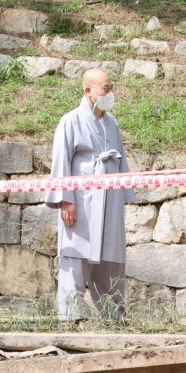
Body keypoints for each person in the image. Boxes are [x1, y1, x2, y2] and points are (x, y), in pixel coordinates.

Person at [45, 68, 135, 322]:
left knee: (110, 258)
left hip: (109, 200)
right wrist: (66, 200)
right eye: (106, 88)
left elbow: (121, 159)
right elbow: (62, 161)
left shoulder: (111, 122)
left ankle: (116, 317)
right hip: (82, 201)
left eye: (111, 87)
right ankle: (71, 317)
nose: (110, 92)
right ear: (88, 90)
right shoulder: (70, 120)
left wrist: (122, 195)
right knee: (75, 255)